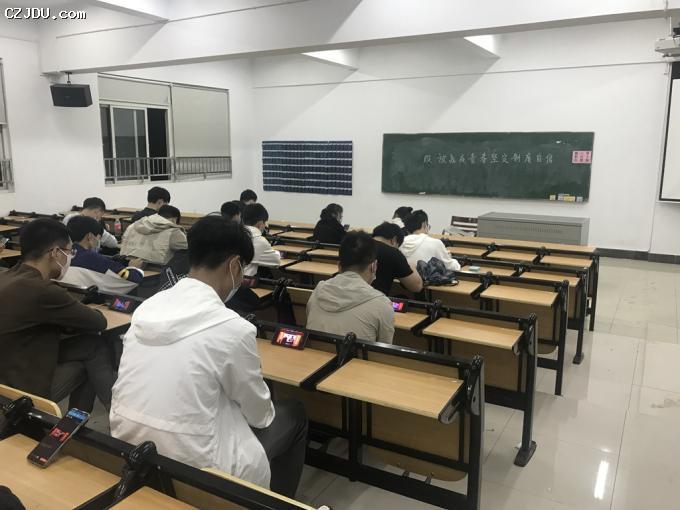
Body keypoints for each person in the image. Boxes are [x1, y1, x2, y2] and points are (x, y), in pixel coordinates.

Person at [110, 217, 308, 497]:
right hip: (200, 467)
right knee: (294, 414)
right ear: (235, 265)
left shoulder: (146, 309)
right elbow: (260, 415)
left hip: (131, 448)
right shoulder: (232, 327)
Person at [0, 218, 115, 412]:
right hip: (19, 393)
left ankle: (79, 423)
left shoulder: (6, 276)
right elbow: (98, 322)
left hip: (10, 365)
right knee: (94, 351)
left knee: (90, 345)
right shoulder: (42, 290)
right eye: (69, 252)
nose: (69, 257)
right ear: (54, 253)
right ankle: (110, 415)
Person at [307, 232, 394, 343]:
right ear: (373, 266)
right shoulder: (382, 304)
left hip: (315, 353)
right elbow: (384, 350)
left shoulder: (318, 291)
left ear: (339, 266)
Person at [63, 216, 145, 294]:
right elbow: (132, 279)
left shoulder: (62, 253)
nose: (98, 241)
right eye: (99, 237)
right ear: (89, 236)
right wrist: (134, 268)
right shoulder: (92, 258)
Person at [120, 205, 188, 265]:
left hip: (124, 267)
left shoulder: (133, 226)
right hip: (158, 272)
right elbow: (190, 249)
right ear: (174, 220)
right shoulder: (173, 232)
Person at [371, 222, 423, 295]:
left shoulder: (358, 244)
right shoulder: (393, 253)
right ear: (394, 240)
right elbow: (416, 287)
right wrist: (412, 266)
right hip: (373, 299)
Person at [242, 203, 281, 277]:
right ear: (260, 223)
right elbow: (276, 261)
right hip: (245, 281)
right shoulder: (259, 240)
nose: (265, 226)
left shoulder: (234, 233)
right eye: (265, 223)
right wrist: (277, 252)